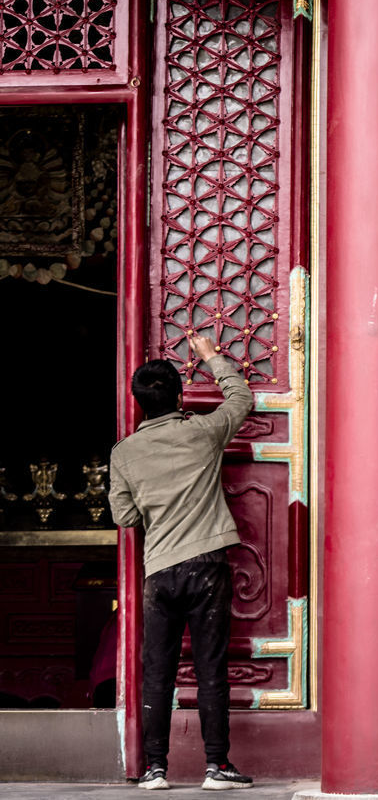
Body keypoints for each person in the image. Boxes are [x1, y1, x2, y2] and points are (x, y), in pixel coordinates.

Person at [109, 334, 254, 791]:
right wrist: (211, 356)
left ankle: (155, 769)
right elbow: (241, 397)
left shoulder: (124, 452)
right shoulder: (202, 431)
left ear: (138, 403)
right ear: (178, 396)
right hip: (207, 564)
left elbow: (124, 515)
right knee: (211, 667)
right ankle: (216, 766)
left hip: (160, 573)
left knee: (158, 670)